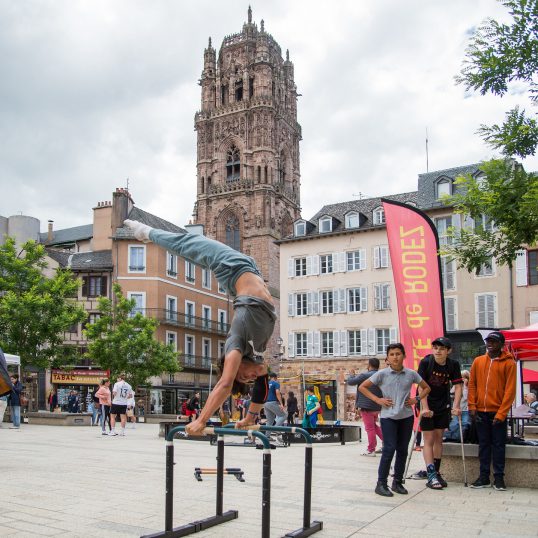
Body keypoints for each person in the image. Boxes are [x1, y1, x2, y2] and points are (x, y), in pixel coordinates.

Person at [123, 219, 277, 435]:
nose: (251, 377)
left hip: (233, 268)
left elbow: (225, 383)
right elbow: (262, 384)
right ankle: (147, 233)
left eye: (243, 377)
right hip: (249, 273)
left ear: (232, 366)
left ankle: (146, 232)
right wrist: (250, 418)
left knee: (188, 245)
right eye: (248, 380)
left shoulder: (234, 347)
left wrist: (201, 420)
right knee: (190, 248)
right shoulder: (257, 356)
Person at [359, 343, 430, 497]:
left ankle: (397, 482)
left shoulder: (411, 374)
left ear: (404, 356)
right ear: (387, 358)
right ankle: (381, 483)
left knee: (402, 450)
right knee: (389, 449)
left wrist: (416, 399)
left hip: (406, 417)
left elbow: (426, 388)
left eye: (398, 354)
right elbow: (362, 387)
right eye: (392, 354)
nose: (395, 357)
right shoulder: (381, 374)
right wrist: (378, 400)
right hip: (388, 417)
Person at [468, 331, 516, 491]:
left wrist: (502, 413)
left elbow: (510, 391)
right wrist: (472, 407)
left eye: (494, 342)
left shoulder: (509, 363)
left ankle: (499, 478)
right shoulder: (478, 361)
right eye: (488, 341)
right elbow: (472, 385)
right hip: (480, 411)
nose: (490, 344)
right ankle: (483, 477)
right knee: (483, 445)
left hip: (497, 412)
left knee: (498, 445)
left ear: (501, 345)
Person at [418, 336, 463, 490]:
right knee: (429, 439)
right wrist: (424, 407)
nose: (438, 351)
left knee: (439, 439)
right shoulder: (426, 362)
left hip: (443, 405)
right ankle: (430, 475)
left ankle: (436, 472)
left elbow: (458, 386)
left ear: (448, 351)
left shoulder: (453, 365)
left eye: (442, 348)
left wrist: (456, 406)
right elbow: (420, 386)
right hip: (427, 404)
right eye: (435, 348)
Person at [347, 358, 383, 456]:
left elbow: (351, 382)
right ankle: (387, 443)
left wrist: (351, 375)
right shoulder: (381, 375)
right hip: (377, 406)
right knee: (374, 426)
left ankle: (371, 450)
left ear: (369, 365)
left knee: (370, 428)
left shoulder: (365, 375)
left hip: (367, 406)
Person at [444, 370, 471, 442]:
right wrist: (456, 385)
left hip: (465, 410)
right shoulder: (457, 386)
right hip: (456, 409)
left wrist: (465, 386)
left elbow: (465, 397)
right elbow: (451, 393)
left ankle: (461, 438)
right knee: (454, 424)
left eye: (464, 378)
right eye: (461, 377)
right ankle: (450, 437)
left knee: (465, 424)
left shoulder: (468, 388)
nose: (462, 379)